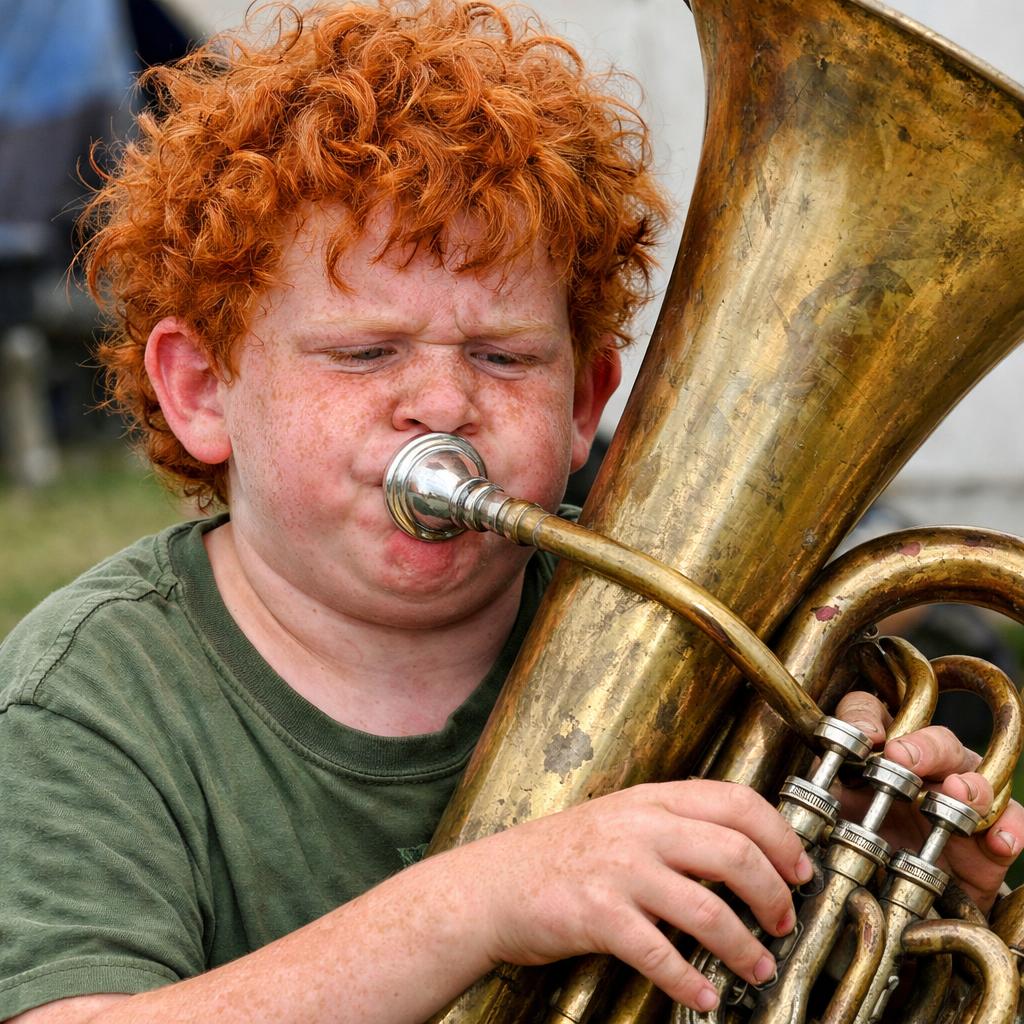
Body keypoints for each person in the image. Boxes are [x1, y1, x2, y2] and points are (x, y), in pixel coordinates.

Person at [0, 3, 1021, 1022]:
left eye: (503, 357)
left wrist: (867, 884)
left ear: (584, 404)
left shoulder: (720, 669)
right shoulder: (89, 696)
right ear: (198, 390)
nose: (443, 402)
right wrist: (479, 905)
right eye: (364, 352)